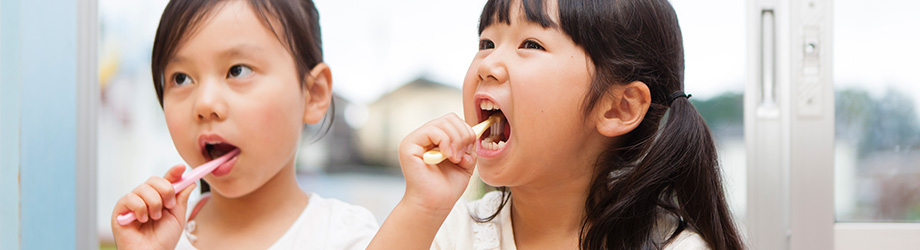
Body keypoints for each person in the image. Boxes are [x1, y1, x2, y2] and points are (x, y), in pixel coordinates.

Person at [369, 0, 744, 249]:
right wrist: (420, 206)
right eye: (486, 42)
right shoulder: (452, 232)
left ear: (619, 108)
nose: (486, 65)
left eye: (530, 44)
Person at [110, 0, 378, 249]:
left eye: (237, 70)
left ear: (314, 94)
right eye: (181, 78)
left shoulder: (347, 236)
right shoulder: (162, 239)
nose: (204, 104)